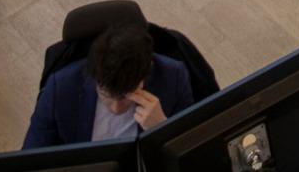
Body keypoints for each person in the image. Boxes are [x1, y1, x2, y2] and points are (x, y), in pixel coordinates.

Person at [23, 21, 197, 150]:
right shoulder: (60, 88)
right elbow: (32, 159)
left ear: (145, 76)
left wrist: (162, 130)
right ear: (93, 78)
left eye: (126, 96)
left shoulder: (173, 76)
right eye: (106, 96)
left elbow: (194, 152)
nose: (116, 107)